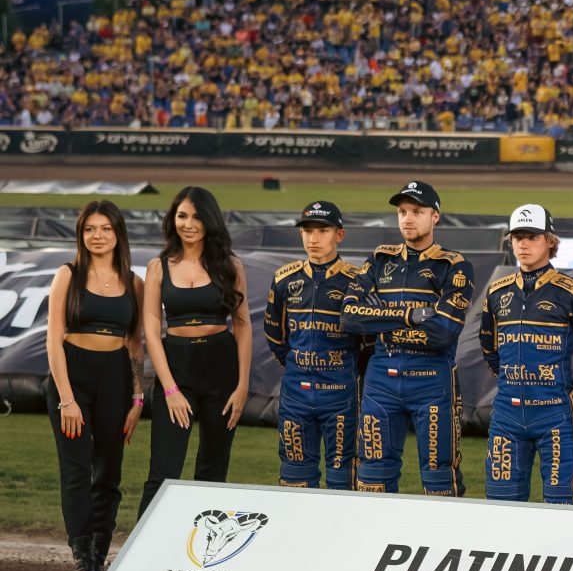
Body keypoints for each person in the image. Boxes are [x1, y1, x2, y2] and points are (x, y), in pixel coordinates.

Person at [341, 180, 475, 495]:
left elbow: (442, 333)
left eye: (417, 211)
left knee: (440, 479)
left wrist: (380, 321)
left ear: (435, 216)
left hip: (432, 381)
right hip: (380, 382)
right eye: (402, 212)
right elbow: (349, 317)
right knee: (371, 478)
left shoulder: (454, 265)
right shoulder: (379, 259)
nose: (408, 218)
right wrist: (409, 316)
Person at [45, 201, 145, 571]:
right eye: (90, 229)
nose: (97, 236)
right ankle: (84, 566)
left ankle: (100, 558)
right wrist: (67, 398)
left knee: (108, 472)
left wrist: (137, 396)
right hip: (72, 377)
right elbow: (53, 340)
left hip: (116, 378)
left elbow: (135, 343)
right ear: (81, 234)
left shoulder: (134, 282)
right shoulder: (67, 275)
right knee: (76, 473)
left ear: (118, 233)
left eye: (105, 228)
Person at [480, 204, 573, 503]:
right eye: (518, 237)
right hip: (507, 415)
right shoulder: (497, 292)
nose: (523, 244)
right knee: (499, 505)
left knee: (562, 505)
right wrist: (511, 382)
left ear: (550, 241)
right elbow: (489, 347)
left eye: (532, 237)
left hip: (555, 414)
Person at [138, 187, 252, 515]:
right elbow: (151, 329)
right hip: (176, 368)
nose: (188, 224)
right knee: (163, 472)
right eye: (182, 216)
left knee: (212, 472)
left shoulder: (230, 265)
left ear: (210, 220)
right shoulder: (158, 267)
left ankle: (201, 545)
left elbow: (243, 326)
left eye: (197, 217)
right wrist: (170, 389)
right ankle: (145, 545)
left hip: (221, 367)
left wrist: (242, 386)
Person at [263, 201, 365, 489]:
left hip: (341, 395)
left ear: (339, 235)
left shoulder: (356, 281)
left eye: (322, 230)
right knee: (294, 477)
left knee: (342, 479)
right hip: (295, 393)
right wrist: (296, 366)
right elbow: (274, 334)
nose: (313, 238)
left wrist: (343, 373)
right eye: (307, 231)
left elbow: (367, 344)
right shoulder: (284, 279)